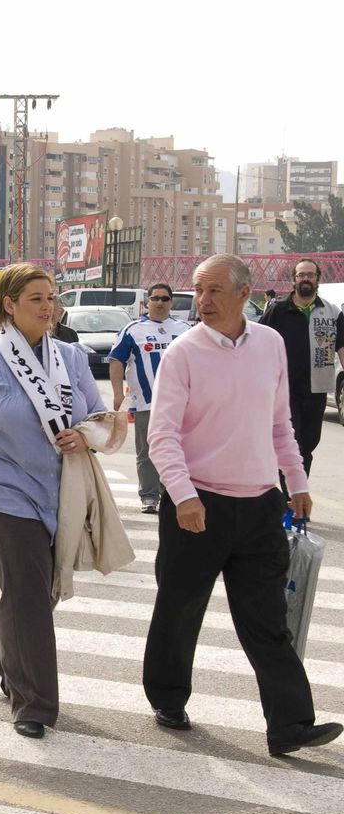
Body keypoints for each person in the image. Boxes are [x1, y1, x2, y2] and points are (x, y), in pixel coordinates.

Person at [144, 253, 342, 757]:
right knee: (179, 607)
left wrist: (296, 482)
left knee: (268, 620)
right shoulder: (183, 354)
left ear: (243, 294)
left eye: (213, 291)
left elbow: (280, 425)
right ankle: (168, 697)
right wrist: (183, 496)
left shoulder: (270, 344)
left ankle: (290, 725)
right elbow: (161, 437)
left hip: (260, 506)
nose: (202, 301)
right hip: (197, 506)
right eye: (198, 290)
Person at [0, 263, 106, 740]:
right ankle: (34, 704)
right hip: (2, 492)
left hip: (60, 491)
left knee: (42, 592)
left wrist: (84, 435)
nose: (49, 308)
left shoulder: (73, 357)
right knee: (26, 593)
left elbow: (99, 416)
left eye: (52, 298)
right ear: (10, 305)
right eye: (37, 299)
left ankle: (6, 655)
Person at [258, 258, 344, 481]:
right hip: (285, 388)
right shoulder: (277, 310)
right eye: (301, 275)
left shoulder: (333, 312)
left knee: (308, 444)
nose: (305, 278)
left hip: (317, 388)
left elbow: (342, 347)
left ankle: (298, 493)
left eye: (310, 275)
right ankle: (291, 500)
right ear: (293, 280)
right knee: (291, 441)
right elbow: (259, 344)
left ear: (317, 279)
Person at [108, 283, 191, 513]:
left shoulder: (185, 329)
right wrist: (117, 392)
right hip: (146, 402)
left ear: (171, 302)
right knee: (147, 451)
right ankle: (149, 496)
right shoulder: (133, 329)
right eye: (155, 298)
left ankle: (172, 492)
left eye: (165, 299)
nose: (160, 303)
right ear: (147, 302)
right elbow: (116, 361)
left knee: (180, 449)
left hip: (181, 403)